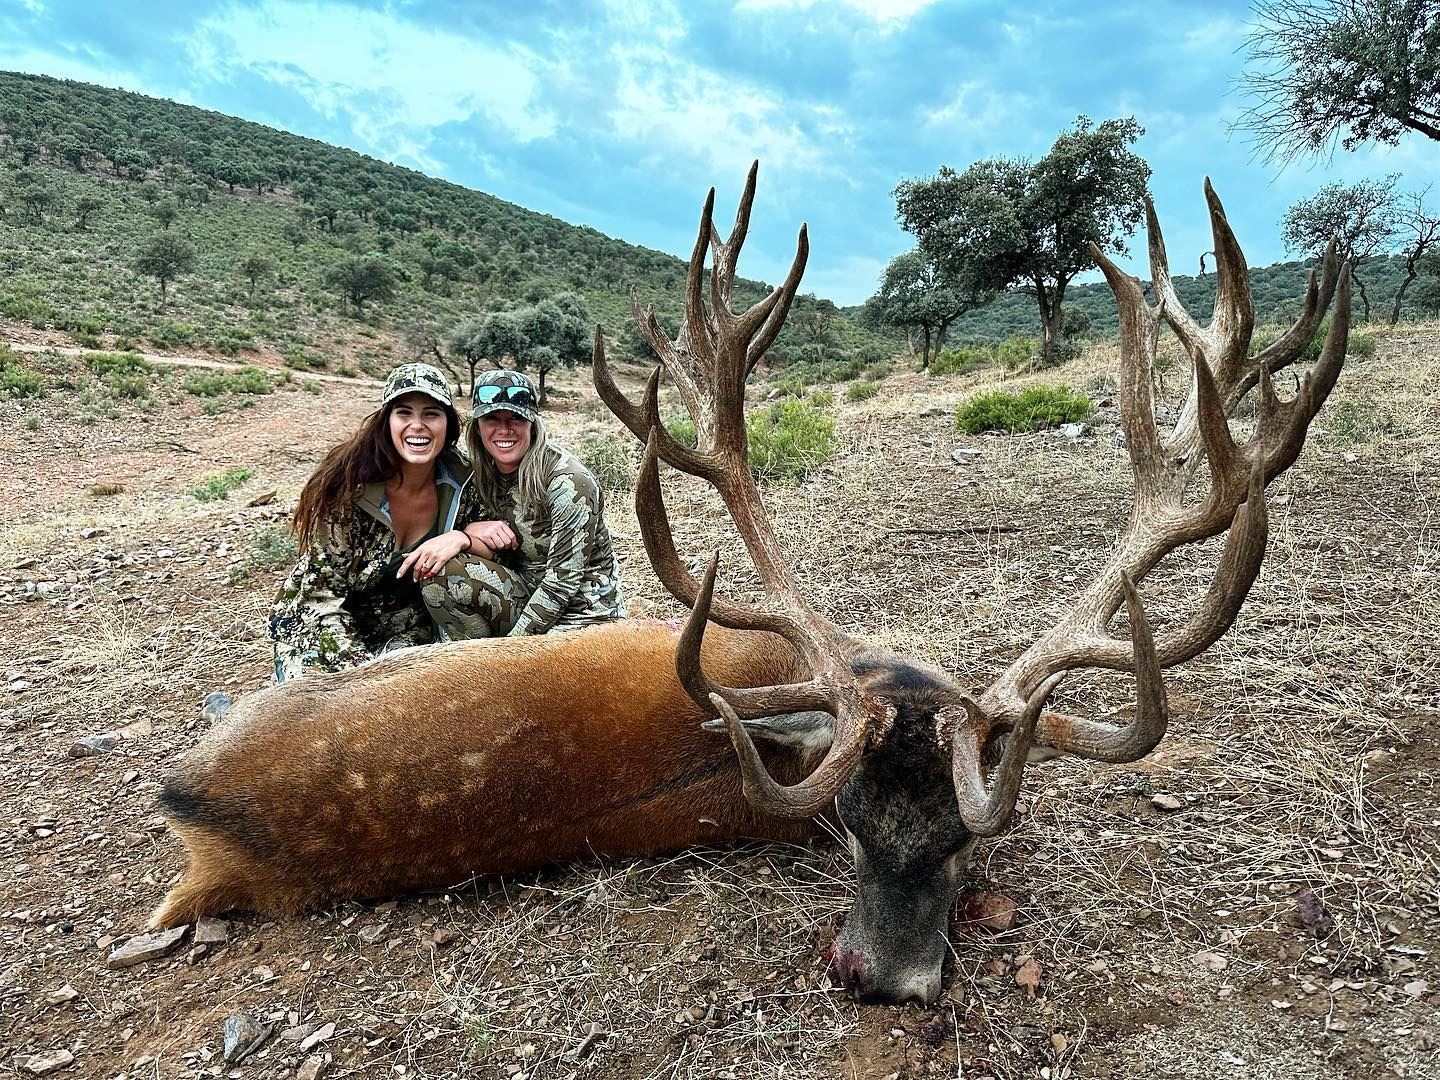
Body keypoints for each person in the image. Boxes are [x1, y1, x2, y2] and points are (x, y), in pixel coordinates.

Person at [268, 362, 478, 681]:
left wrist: (465, 537)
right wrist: (361, 675)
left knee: (418, 696)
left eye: (431, 414)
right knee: (322, 703)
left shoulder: (464, 482)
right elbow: (320, 597)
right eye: (404, 413)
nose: (417, 426)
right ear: (387, 421)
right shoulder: (347, 488)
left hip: (401, 628)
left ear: (448, 425)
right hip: (321, 624)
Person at [422, 368, 626, 638]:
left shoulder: (568, 482)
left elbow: (562, 583)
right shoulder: (480, 474)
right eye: (492, 418)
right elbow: (501, 556)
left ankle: (491, 659)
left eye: (516, 418)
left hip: (583, 618)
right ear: (477, 427)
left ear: (532, 423)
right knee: (440, 574)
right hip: (526, 598)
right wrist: (466, 536)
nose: (504, 429)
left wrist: (512, 650)